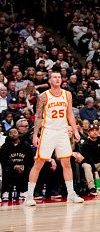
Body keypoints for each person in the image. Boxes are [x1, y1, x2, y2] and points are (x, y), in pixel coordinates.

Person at [24, 72, 84, 205]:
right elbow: (38, 117)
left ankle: (71, 194)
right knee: (39, 163)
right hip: (48, 131)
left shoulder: (67, 94)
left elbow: (70, 114)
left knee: (66, 162)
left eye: (59, 77)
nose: (57, 79)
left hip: (62, 131)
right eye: (54, 77)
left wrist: (75, 130)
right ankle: (29, 196)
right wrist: (35, 135)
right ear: (50, 81)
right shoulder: (43, 96)